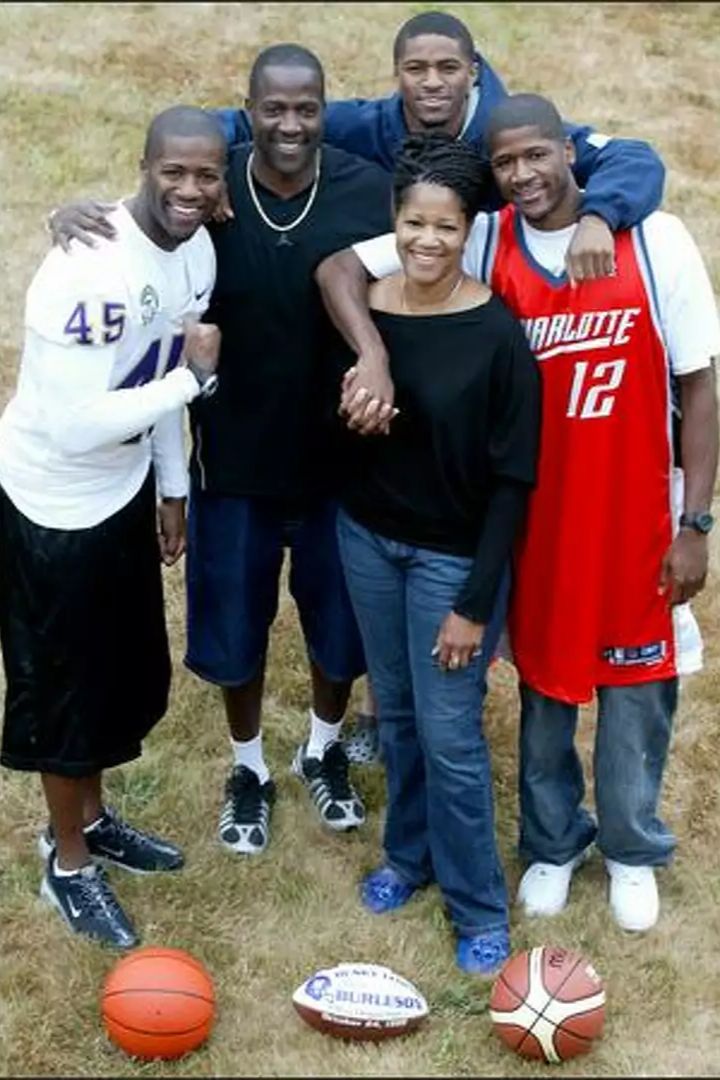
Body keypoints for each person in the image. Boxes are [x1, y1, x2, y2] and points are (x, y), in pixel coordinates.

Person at [53, 11, 667, 767]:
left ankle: (343, 739)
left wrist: (602, 215)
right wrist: (105, 211)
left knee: (353, 615)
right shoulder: (318, 144)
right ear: (394, 76)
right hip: (251, 452)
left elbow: (630, 158)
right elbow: (193, 156)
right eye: (418, 69)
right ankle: (273, 758)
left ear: (475, 70)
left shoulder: (473, 150)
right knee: (262, 623)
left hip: (373, 440)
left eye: (449, 68)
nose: (433, 84)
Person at [315, 92, 720, 935]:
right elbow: (350, 266)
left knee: (637, 683)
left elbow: (700, 387)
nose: (524, 174)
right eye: (507, 163)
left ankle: (633, 848)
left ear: (572, 152)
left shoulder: (653, 238)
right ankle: (551, 840)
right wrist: (374, 354)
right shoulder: (484, 235)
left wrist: (696, 521)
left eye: (539, 155)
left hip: (633, 511)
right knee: (544, 681)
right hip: (530, 516)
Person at [50, 45, 395, 857]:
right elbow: (144, 211)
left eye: (305, 107)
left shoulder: (364, 191)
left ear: (324, 108)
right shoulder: (215, 186)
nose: (290, 123)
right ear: (248, 109)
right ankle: (248, 768)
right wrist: (71, 213)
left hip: (338, 466)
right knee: (235, 632)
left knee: (335, 630)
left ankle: (321, 748)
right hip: (231, 465)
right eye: (272, 108)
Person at [0, 105, 227, 948]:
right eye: (174, 172)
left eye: (207, 175)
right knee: (66, 693)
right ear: (142, 165)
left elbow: (161, 364)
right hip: (52, 502)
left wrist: (173, 487)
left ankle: (93, 821)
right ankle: (68, 863)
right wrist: (193, 386)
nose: (190, 189)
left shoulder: (195, 252)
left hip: (123, 489)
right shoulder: (81, 268)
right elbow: (75, 424)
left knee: (118, 674)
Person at [334, 133, 540, 975]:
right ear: (396, 222)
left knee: (452, 736)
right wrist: (351, 406)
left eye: (446, 228)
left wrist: (474, 604)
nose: (428, 242)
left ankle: (478, 903)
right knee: (400, 715)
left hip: (451, 563)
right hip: (367, 542)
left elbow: (513, 483)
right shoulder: (368, 312)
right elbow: (341, 430)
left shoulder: (496, 335)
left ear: (468, 232)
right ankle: (408, 857)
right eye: (414, 224)